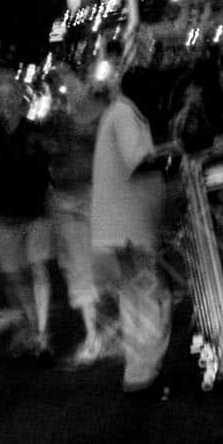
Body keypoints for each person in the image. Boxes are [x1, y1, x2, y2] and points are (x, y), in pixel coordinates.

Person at [90, 60, 178, 394]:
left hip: (119, 230)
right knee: (151, 296)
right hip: (129, 231)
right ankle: (146, 369)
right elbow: (139, 162)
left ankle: (138, 370)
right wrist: (174, 159)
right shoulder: (125, 114)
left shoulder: (120, 112)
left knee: (134, 298)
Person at [43, 62, 108, 364]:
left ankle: (110, 324)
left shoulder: (94, 111)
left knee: (105, 259)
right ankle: (93, 333)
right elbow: (47, 152)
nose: (65, 87)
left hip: (93, 194)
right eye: (59, 82)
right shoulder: (53, 116)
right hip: (66, 198)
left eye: (68, 79)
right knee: (80, 270)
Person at [0, 69, 53, 359]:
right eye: (1, 98)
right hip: (4, 216)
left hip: (35, 213)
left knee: (38, 270)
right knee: (14, 276)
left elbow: (46, 167)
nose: (7, 103)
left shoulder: (33, 131)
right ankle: (34, 326)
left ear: (21, 99)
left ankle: (42, 334)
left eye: (11, 96)